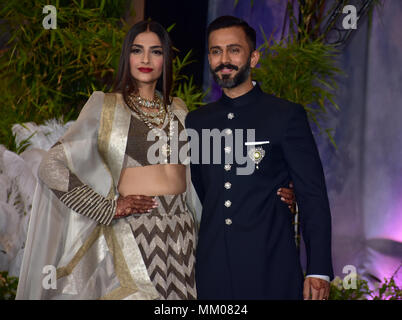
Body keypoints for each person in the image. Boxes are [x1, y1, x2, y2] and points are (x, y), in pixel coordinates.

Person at [15, 19, 296, 300]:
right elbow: (50, 166)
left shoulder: (180, 110)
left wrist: (271, 190)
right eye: (137, 51)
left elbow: (215, 169)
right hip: (134, 233)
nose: (146, 59)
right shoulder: (106, 105)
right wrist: (106, 208)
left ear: (166, 59)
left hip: (184, 237)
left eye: (156, 51)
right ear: (127, 56)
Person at [185, 16, 334, 300]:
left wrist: (318, 269)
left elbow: (312, 194)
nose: (223, 59)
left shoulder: (285, 115)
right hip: (212, 268)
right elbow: (204, 191)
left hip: (270, 264)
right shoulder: (197, 121)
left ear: (253, 58)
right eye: (215, 51)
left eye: (234, 50)